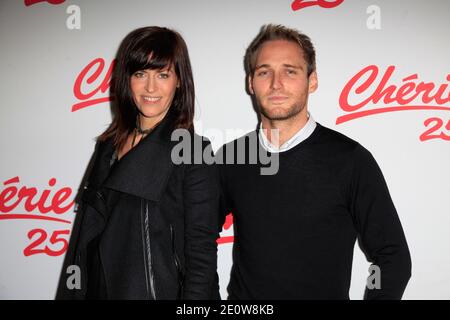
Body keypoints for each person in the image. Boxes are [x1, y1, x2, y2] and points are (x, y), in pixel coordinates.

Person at [218, 24, 412, 299]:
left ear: (312, 80)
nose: (276, 83)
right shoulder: (230, 159)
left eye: (290, 71)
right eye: (264, 72)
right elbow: (195, 239)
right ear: (251, 83)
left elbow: (393, 258)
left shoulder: (351, 160)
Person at [56, 26, 219, 300]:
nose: (150, 87)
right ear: (127, 79)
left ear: (179, 81)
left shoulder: (193, 151)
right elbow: (83, 242)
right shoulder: (107, 147)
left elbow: (200, 254)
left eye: (162, 74)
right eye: (140, 74)